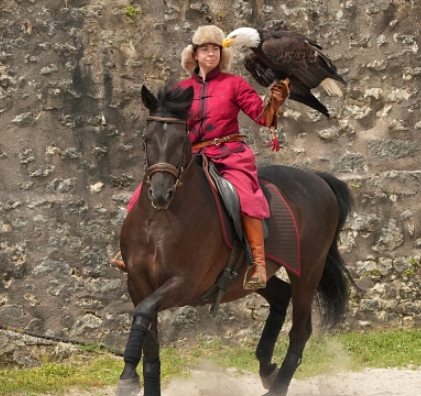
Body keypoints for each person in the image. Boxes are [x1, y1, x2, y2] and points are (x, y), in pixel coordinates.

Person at [111, 25, 288, 290]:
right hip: (192, 156)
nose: (211, 54)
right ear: (194, 54)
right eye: (205, 49)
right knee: (143, 190)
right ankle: (130, 253)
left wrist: (273, 103)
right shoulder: (182, 89)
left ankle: (258, 265)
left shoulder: (235, 84)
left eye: (215, 49)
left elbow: (262, 117)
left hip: (229, 155)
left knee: (245, 197)